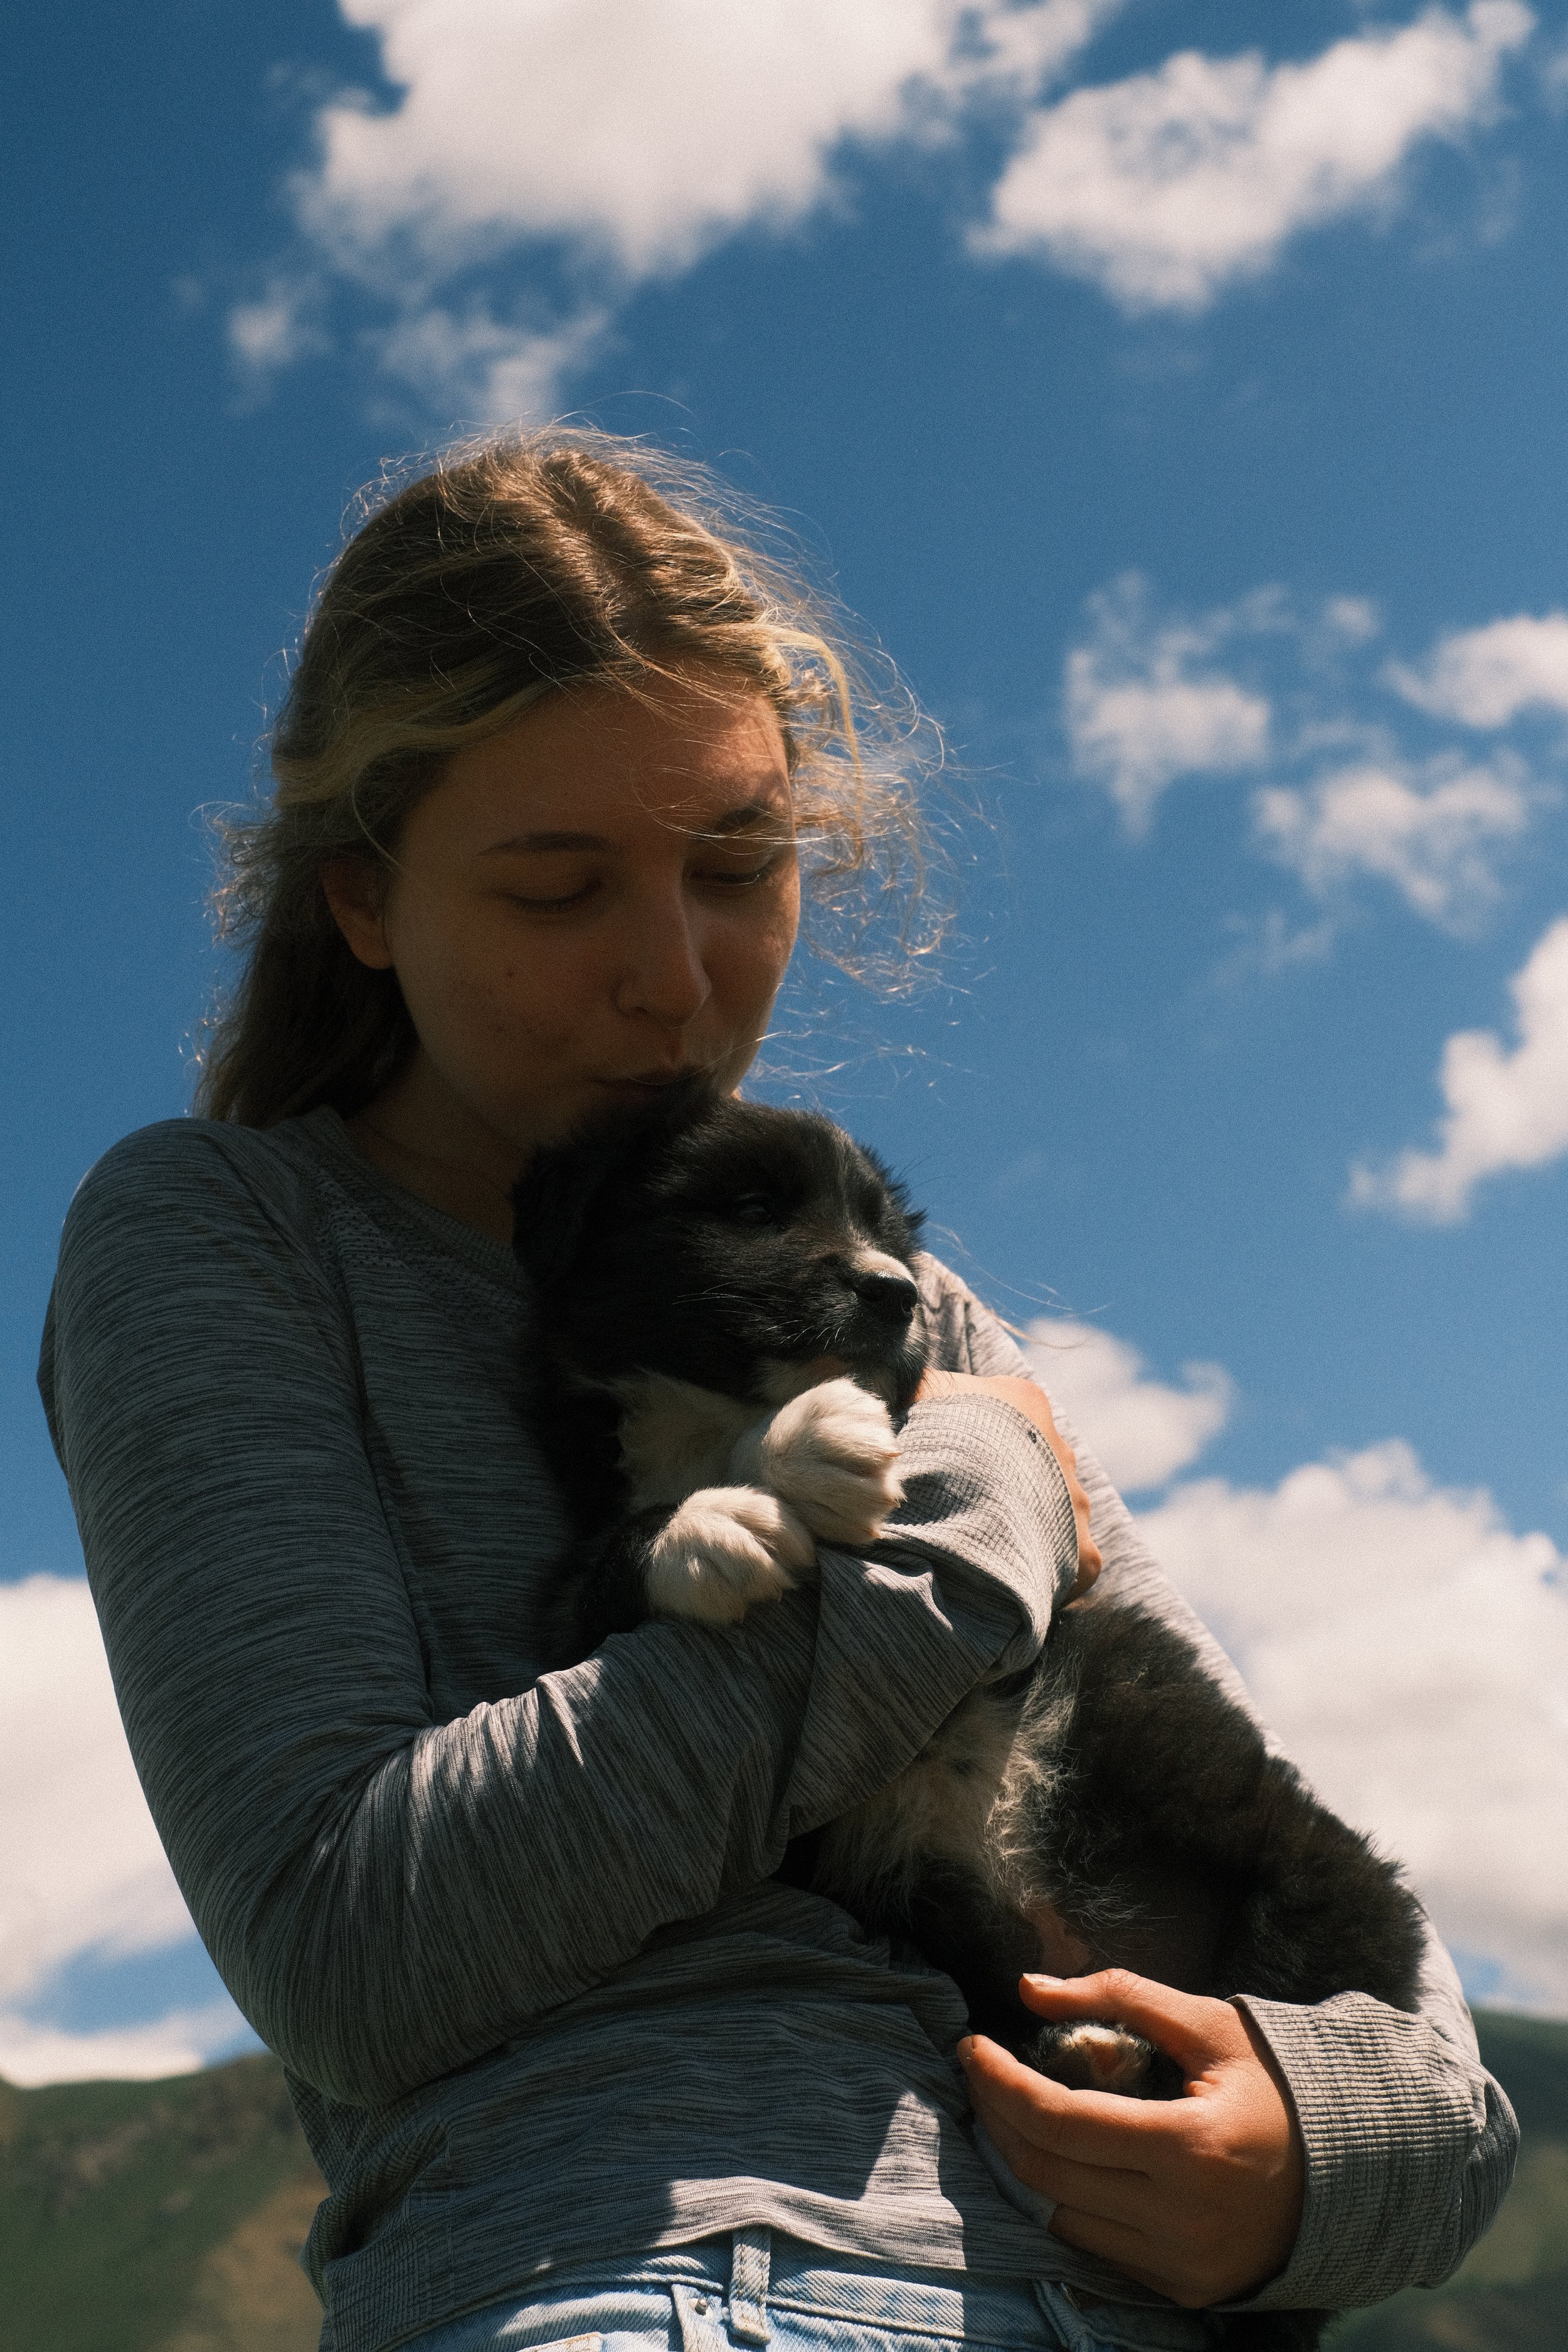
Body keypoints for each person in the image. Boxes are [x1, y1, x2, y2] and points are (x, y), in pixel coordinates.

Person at [39, 432, 1515, 2352]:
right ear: (363, 899)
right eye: (559, 888)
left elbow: (1403, 2033)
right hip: (659, 2282)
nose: (672, 976)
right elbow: (353, 1946)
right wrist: (971, 1505)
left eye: (739, 866)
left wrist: (1323, 2156)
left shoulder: (897, 1289)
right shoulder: (228, 1236)